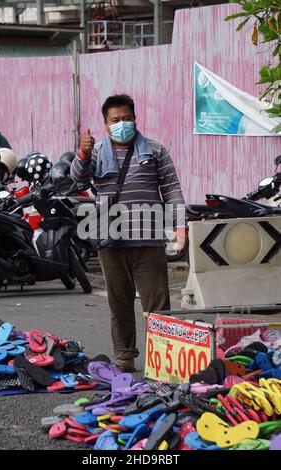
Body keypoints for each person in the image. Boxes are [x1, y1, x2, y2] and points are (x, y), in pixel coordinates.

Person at [71, 94, 186, 372]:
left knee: (157, 302)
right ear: (106, 124)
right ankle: (124, 356)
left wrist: (180, 226)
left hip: (148, 238)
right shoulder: (96, 152)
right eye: (115, 120)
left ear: (135, 119)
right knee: (119, 302)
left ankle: (164, 358)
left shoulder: (155, 151)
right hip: (111, 238)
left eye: (126, 118)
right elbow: (77, 180)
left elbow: (171, 189)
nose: (122, 123)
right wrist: (83, 154)